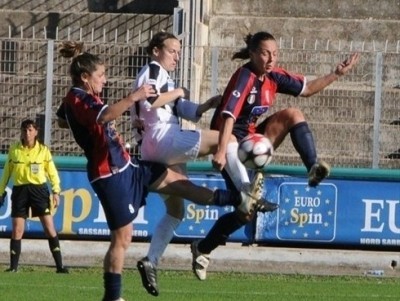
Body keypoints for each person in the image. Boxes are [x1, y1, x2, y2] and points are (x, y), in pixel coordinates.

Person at [56, 41, 274, 300]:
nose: (105, 80)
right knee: (122, 238)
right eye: (100, 75)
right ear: (84, 77)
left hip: (130, 165)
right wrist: (133, 100)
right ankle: (112, 297)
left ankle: (239, 199)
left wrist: (83, 124)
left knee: (180, 190)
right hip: (111, 174)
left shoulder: (79, 98)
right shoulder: (81, 96)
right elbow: (108, 115)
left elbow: (62, 118)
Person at [190, 31, 360, 281]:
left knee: (293, 113)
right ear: (253, 53)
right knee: (245, 211)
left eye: (275, 53)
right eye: (265, 53)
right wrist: (220, 151)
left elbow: (308, 89)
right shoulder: (244, 76)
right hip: (229, 142)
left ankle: (312, 168)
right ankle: (203, 248)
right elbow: (228, 116)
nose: (271, 59)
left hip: (253, 141)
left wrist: (336, 74)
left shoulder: (274, 76)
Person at [130, 31, 278, 295]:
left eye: (178, 51)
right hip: (164, 139)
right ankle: (247, 192)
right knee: (229, 137)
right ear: (155, 51)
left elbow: (183, 109)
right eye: (172, 50)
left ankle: (150, 261)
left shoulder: (163, 75)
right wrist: (178, 91)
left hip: (155, 147)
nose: (176, 56)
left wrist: (205, 105)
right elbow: (151, 101)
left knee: (176, 212)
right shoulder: (151, 70)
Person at [0, 119, 68, 274]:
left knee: (49, 227)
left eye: (30, 130)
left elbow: (52, 173)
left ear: (36, 132)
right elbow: (6, 173)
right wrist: (0, 191)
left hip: (39, 191)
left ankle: (60, 266)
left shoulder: (43, 150)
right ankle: (13, 267)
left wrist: (56, 191)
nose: (27, 133)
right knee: (17, 229)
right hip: (20, 191)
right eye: (24, 130)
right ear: (21, 132)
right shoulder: (14, 150)